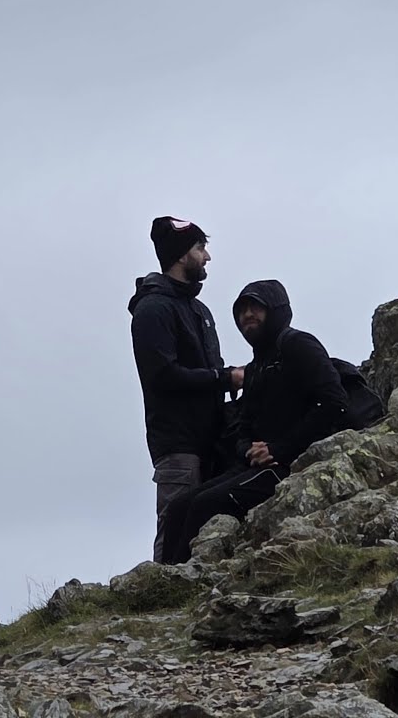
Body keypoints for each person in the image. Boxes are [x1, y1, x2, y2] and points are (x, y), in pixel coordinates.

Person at [161, 279, 350, 564]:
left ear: (276, 309)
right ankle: (161, 581)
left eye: (256, 307)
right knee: (178, 507)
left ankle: (181, 582)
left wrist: (279, 449)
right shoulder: (254, 367)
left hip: (292, 465)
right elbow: (243, 424)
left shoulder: (298, 345)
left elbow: (334, 402)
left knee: (205, 505)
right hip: (254, 465)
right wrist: (247, 448)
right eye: (241, 310)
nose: (247, 315)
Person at [128, 216, 244, 563]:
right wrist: (225, 378)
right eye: (200, 247)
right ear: (181, 255)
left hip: (213, 440)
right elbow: (163, 376)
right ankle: (158, 590)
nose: (207, 256)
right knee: (175, 529)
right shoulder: (153, 309)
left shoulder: (198, 310)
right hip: (178, 445)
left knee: (208, 528)